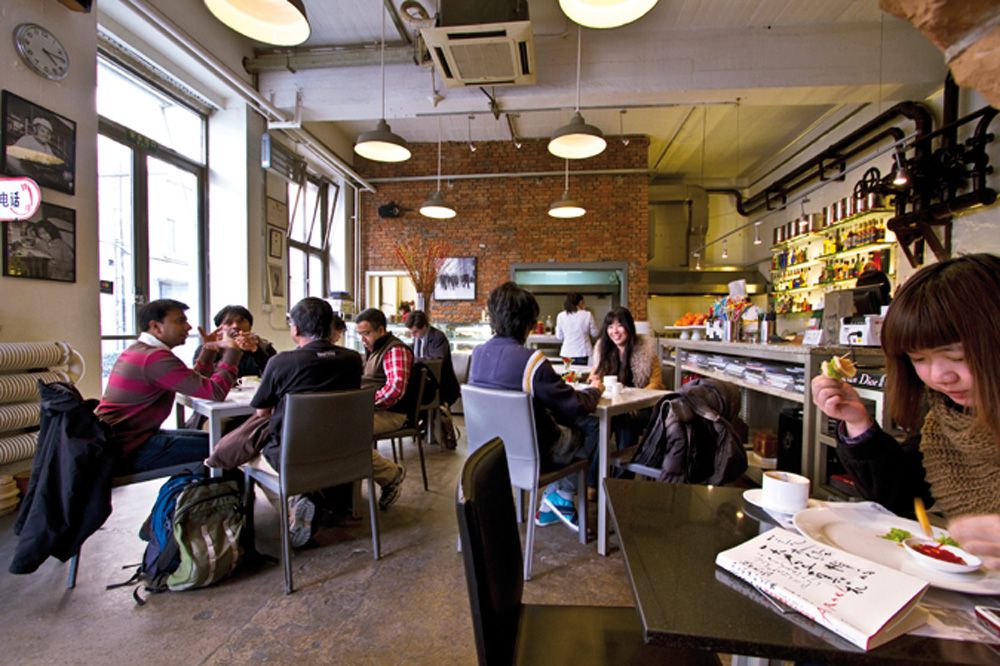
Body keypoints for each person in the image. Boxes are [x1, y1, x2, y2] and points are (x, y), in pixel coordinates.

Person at [811, 254, 1000, 569]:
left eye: (956, 355)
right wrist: (858, 423)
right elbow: (903, 496)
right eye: (918, 359)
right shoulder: (947, 420)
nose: (939, 375)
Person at [469, 282, 601, 531]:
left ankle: (555, 497)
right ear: (529, 323)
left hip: (488, 456)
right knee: (590, 428)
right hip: (533, 456)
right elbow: (573, 406)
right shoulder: (531, 361)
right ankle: (560, 497)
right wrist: (595, 390)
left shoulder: (476, 354)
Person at [246, 297, 365, 547]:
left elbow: (262, 412)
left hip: (294, 454)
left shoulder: (281, 362)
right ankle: (307, 499)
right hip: (345, 452)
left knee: (245, 455)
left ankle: (294, 504)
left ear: (296, 329)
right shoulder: (353, 359)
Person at [97, 298, 250, 473]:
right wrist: (233, 351)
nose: (189, 327)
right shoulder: (154, 358)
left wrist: (209, 349)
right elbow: (216, 392)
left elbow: (195, 383)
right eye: (180, 321)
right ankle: (223, 498)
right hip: (129, 449)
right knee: (228, 449)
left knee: (221, 441)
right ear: (156, 327)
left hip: (124, 440)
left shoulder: (141, 351)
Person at [589, 306, 665, 462]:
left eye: (619, 325)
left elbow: (656, 383)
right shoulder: (602, 349)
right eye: (610, 326)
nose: (614, 331)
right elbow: (594, 375)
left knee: (625, 423)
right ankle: (592, 482)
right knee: (597, 425)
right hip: (612, 406)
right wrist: (595, 381)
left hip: (642, 407)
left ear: (629, 326)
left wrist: (634, 402)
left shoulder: (646, 349)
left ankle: (620, 480)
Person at [354, 307, 410, 505]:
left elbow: (395, 389)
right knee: (335, 430)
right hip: (373, 410)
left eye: (366, 333)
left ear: (381, 330)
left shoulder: (395, 350)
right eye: (359, 334)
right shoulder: (373, 350)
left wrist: (364, 405)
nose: (363, 339)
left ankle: (391, 475)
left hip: (392, 413)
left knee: (345, 435)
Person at [406, 310, 459, 449]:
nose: (413, 335)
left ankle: (417, 425)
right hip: (426, 383)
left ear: (425, 326)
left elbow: (436, 361)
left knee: (414, 397)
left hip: (442, 385)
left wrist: (416, 361)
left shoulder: (438, 337)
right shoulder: (417, 339)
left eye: (415, 332)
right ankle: (418, 426)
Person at [193, 305, 276, 378]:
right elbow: (200, 380)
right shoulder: (205, 350)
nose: (235, 326)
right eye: (228, 322)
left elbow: (275, 375)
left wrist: (256, 351)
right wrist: (213, 351)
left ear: (250, 326)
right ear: (219, 328)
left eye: (241, 321)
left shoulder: (265, 347)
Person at [555, 292, 599, 365]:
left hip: (567, 352)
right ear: (580, 302)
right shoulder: (587, 314)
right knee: (581, 375)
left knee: (569, 375)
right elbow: (595, 333)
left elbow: (559, 337)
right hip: (583, 352)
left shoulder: (561, 316)